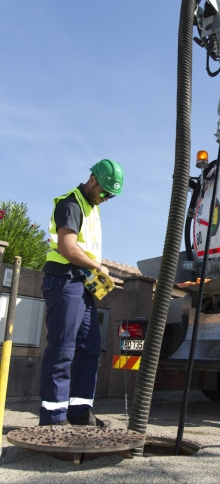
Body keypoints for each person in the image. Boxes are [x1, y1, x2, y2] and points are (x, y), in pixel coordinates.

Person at [39, 159, 124, 426]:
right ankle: (53, 416)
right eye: (105, 191)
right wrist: (98, 267)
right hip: (64, 281)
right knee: (63, 349)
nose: (107, 198)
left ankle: (79, 412)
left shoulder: (92, 207)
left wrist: (95, 272)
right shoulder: (72, 204)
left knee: (89, 349)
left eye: (112, 195)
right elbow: (67, 248)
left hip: (82, 284)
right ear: (93, 179)